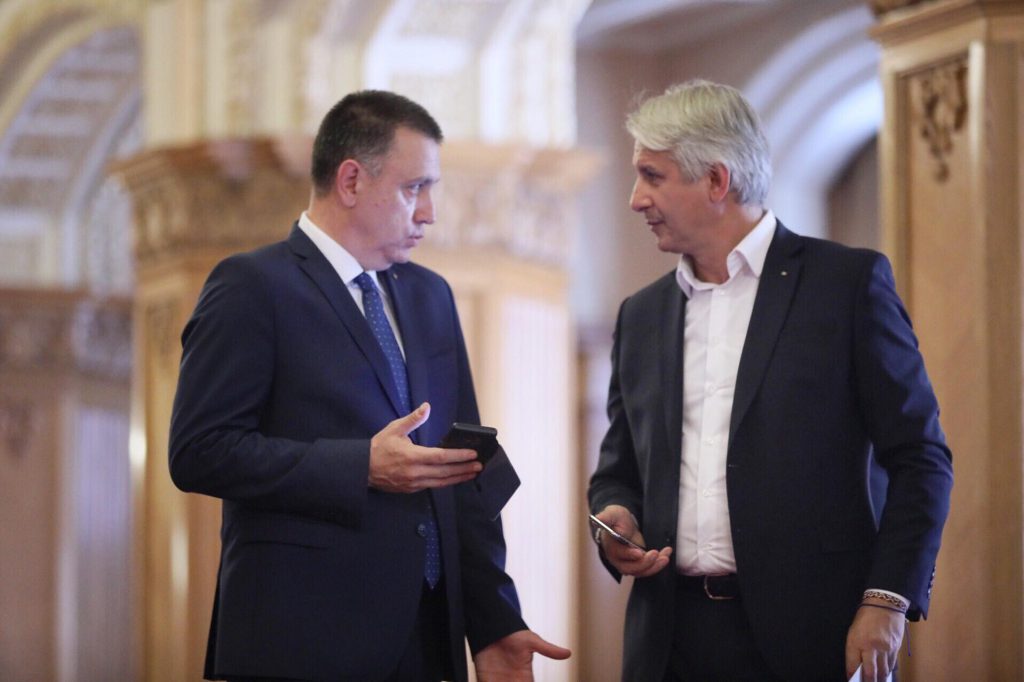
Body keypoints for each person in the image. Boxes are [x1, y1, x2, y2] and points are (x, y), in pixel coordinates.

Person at [169, 90, 570, 682]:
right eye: (415, 188)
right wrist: (360, 466)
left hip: (428, 641)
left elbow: (466, 466)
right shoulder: (251, 286)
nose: (429, 212)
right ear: (351, 180)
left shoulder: (431, 295)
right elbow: (199, 452)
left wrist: (493, 622)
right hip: (301, 642)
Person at [587, 79, 953, 682]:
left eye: (652, 176)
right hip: (667, 642)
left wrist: (886, 599)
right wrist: (614, 517)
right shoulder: (641, 314)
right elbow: (617, 467)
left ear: (716, 180)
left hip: (815, 635)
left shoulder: (846, 286)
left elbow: (921, 458)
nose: (635, 199)